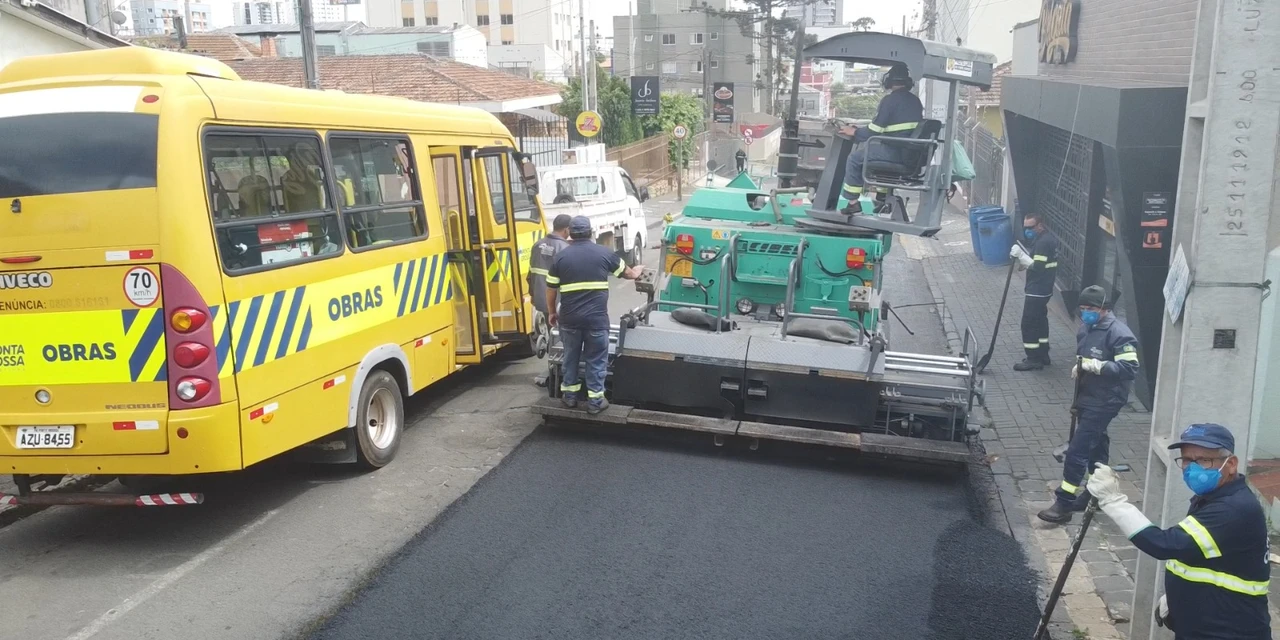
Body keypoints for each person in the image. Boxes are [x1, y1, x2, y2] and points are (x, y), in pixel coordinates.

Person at [1088, 424, 1271, 638]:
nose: (1193, 469)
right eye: (1187, 460)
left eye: (1204, 460)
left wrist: (1113, 501)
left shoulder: (1233, 509)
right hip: (1205, 624)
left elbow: (1165, 544)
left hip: (1229, 631)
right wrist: (1178, 597)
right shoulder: (1213, 497)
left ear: (1230, 464)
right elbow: (1199, 554)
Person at [1037, 285, 1139, 524]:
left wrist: (1097, 366)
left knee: (1077, 449)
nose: (1086, 312)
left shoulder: (1119, 333)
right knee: (1097, 445)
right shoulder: (1086, 328)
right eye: (1082, 308)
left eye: (1091, 308)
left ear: (1104, 308)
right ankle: (1096, 494)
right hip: (1087, 396)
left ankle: (1063, 503)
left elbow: (1129, 368)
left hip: (1105, 400)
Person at [546, 215, 643, 414]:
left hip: (570, 320)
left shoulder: (561, 258)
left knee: (570, 357)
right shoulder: (604, 254)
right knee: (596, 359)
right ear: (590, 232)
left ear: (570, 233)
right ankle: (596, 401)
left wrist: (551, 312)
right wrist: (638, 270)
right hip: (596, 322)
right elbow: (630, 274)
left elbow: (551, 289)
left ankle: (570, 397)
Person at [838, 63, 924, 213]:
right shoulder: (915, 101)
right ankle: (882, 198)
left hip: (897, 152)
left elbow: (875, 129)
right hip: (910, 154)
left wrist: (855, 132)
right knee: (875, 152)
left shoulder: (889, 101)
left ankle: (853, 203)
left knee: (855, 158)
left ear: (888, 81)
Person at [1008, 213, 1060, 371]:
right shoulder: (1045, 239)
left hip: (1037, 289)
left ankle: (1033, 358)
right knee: (1040, 321)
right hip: (1043, 288)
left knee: (1029, 324)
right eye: (1025, 228)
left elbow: (1037, 267)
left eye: (1031, 227)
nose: (1027, 231)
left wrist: (1021, 257)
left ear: (1040, 226)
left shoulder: (1043, 243)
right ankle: (1043, 354)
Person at [528, 214, 573, 317]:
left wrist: (533, 295)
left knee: (551, 328)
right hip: (558, 302)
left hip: (540, 300)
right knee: (560, 331)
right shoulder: (565, 248)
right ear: (566, 230)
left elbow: (530, 274)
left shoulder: (537, 245)